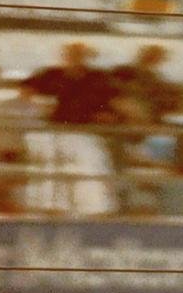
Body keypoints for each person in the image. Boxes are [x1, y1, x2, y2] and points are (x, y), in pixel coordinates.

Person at [22, 44, 123, 214]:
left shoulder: (97, 77)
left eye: (79, 54)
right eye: (71, 54)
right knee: (53, 177)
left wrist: (108, 115)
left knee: (90, 174)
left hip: (87, 132)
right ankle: (52, 211)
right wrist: (39, 103)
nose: (75, 57)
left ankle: (92, 212)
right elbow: (26, 90)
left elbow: (114, 100)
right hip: (54, 131)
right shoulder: (51, 74)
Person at [111, 44, 180, 125]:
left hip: (147, 114)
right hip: (125, 110)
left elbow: (160, 97)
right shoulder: (123, 70)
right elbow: (114, 92)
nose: (154, 59)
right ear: (142, 55)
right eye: (151, 55)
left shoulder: (155, 77)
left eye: (158, 57)